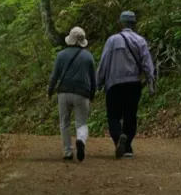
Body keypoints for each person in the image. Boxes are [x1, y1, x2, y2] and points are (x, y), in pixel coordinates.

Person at [96, 10, 155, 158]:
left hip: (114, 84)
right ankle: (127, 147)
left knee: (113, 116)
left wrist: (98, 82)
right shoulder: (140, 40)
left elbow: (104, 62)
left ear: (121, 23)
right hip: (133, 84)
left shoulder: (112, 40)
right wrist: (150, 81)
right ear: (134, 24)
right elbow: (147, 63)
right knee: (130, 115)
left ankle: (119, 139)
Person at [47, 26, 97, 161]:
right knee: (81, 123)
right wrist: (92, 94)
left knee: (64, 123)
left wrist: (50, 90)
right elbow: (93, 79)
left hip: (64, 92)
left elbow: (54, 76)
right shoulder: (88, 57)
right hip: (82, 93)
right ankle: (80, 140)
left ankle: (68, 151)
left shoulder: (61, 55)